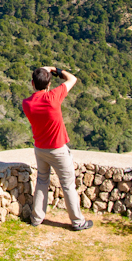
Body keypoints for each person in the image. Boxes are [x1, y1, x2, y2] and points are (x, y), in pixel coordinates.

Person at [21, 66, 92, 231]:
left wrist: (45, 74)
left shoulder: (27, 104)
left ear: (32, 83)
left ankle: (36, 218)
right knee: (68, 185)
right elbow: (72, 79)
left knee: (42, 181)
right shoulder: (53, 97)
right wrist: (55, 69)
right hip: (58, 149)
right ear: (49, 84)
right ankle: (77, 221)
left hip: (40, 148)